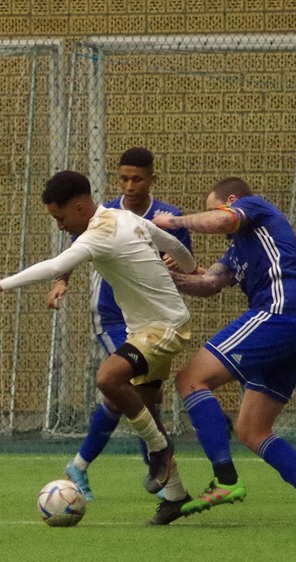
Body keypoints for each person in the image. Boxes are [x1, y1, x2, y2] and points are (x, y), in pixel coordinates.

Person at [0, 170, 197, 513]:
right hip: (150, 327)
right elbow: (174, 244)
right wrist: (191, 268)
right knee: (146, 405)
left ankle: (159, 450)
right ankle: (175, 496)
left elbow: (53, 265)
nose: (59, 226)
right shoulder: (123, 217)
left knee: (108, 379)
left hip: (163, 328)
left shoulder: (98, 234)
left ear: (78, 207)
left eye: (59, 218)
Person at [149, 177, 296, 527]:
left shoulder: (256, 208)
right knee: (253, 430)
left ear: (233, 201)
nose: (214, 220)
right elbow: (209, 284)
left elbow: (222, 219)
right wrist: (165, 277)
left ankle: (225, 479)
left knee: (191, 379)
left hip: (281, 311)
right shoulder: (238, 249)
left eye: (213, 208)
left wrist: (173, 222)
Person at [46, 148, 191, 501]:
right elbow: (75, 245)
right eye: (123, 178)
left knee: (138, 397)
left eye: (136, 178)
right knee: (117, 386)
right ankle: (152, 469)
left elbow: (181, 258)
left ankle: (162, 484)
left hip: (150, 318)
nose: (129, 185)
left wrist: (183, 264)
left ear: (152, 179)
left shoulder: (169, 216)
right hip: (112, 316)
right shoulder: (106, 212)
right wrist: (62, 279)